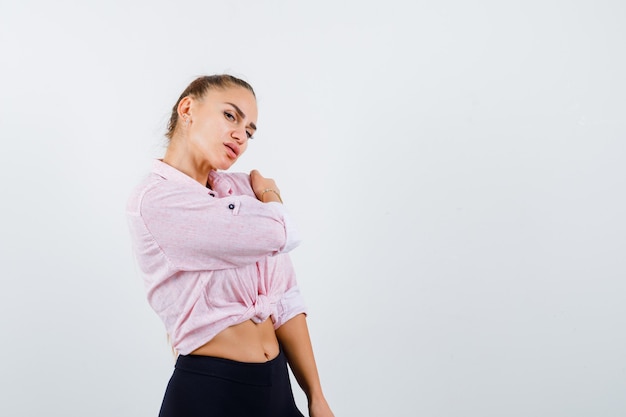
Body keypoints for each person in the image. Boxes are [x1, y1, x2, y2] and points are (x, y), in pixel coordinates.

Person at [126, 74, 335, 417]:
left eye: (250, 130)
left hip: (277, 388)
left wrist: (316, 396)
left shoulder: (239, 190)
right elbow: (280, 233)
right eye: (230, 116)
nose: (241, 135)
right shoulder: (156, 201)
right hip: (211, 393)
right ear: (188, 108)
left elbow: (284, 296)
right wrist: (270, 195)